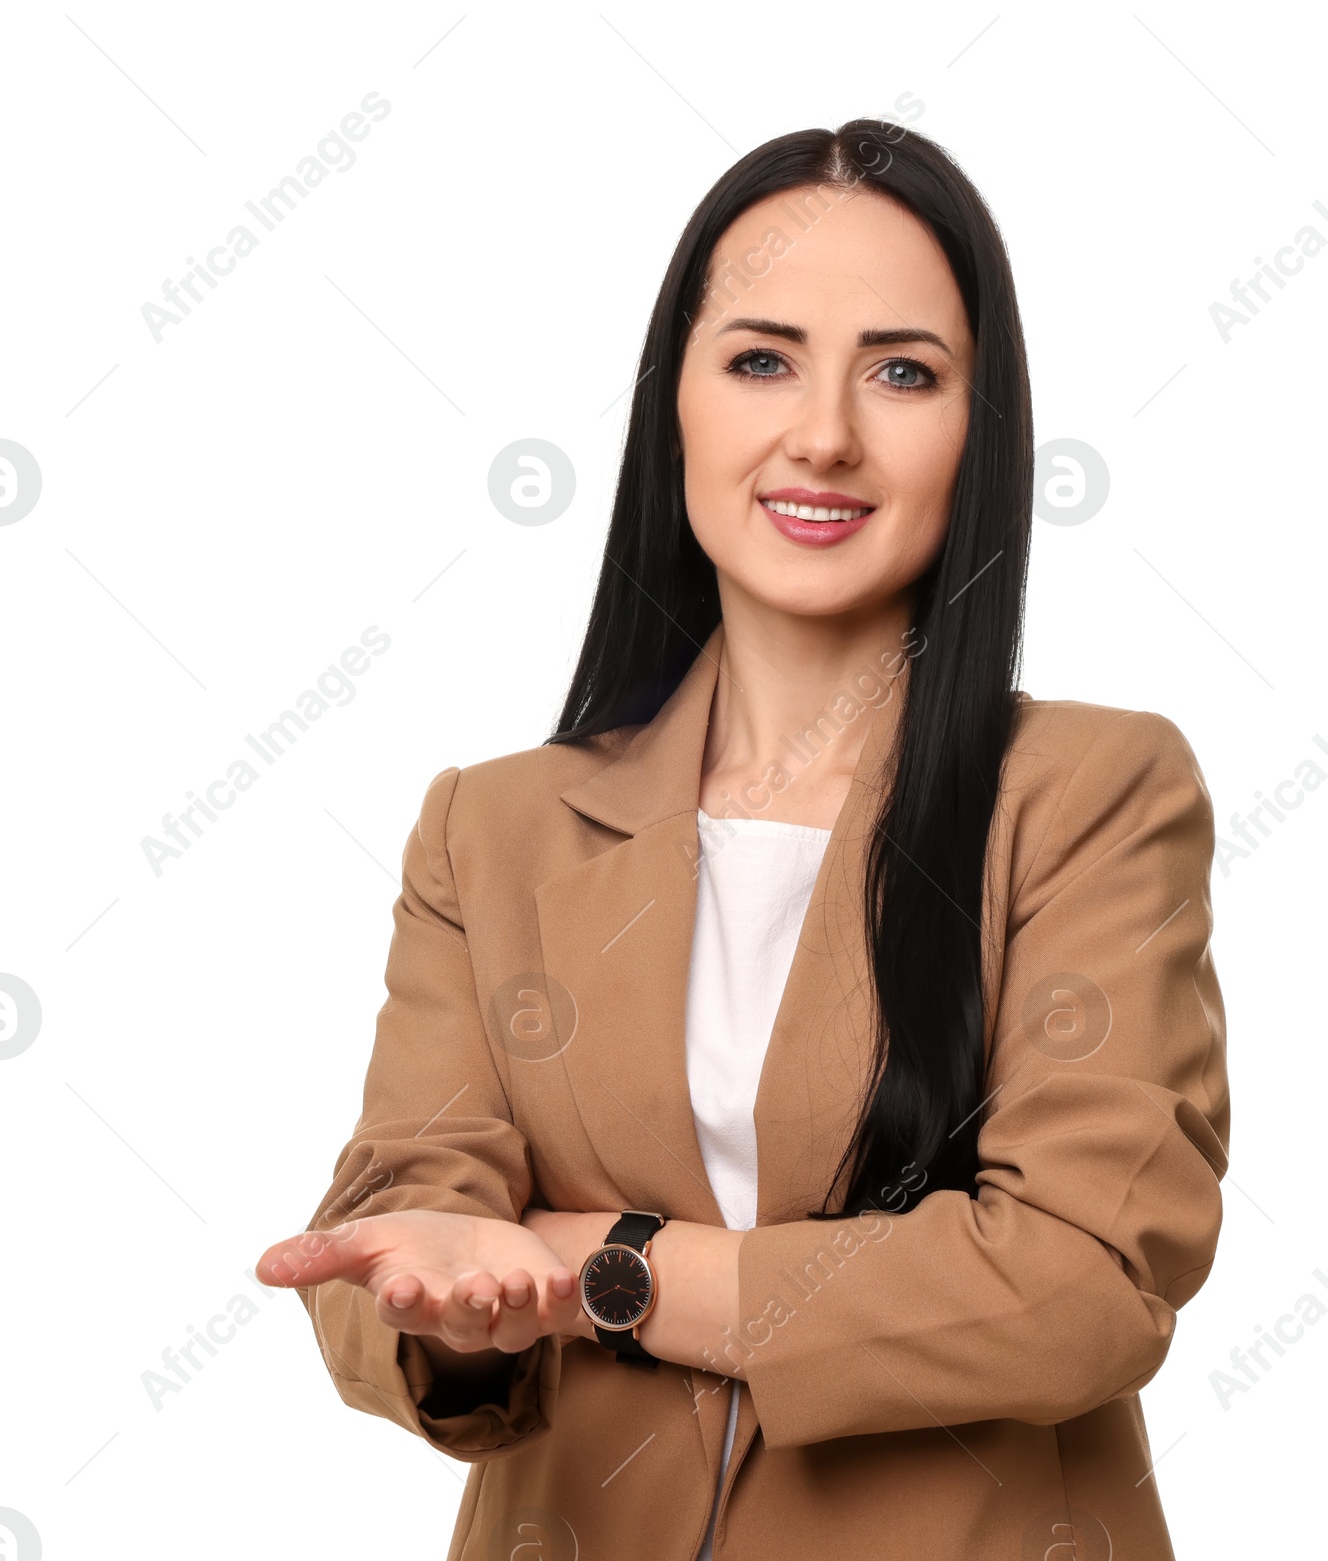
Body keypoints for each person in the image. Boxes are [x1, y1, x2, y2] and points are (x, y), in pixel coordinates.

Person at [258, 119, 1230, 1561]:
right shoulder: (497, 826)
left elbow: (1081, 1279)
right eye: (761, 358)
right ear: (678, 411)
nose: (824, 432)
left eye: (903, 370)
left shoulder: (1092, 790)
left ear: (985, 428)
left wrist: (614, 1266)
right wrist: (458, 1297)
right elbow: (410, 1207)